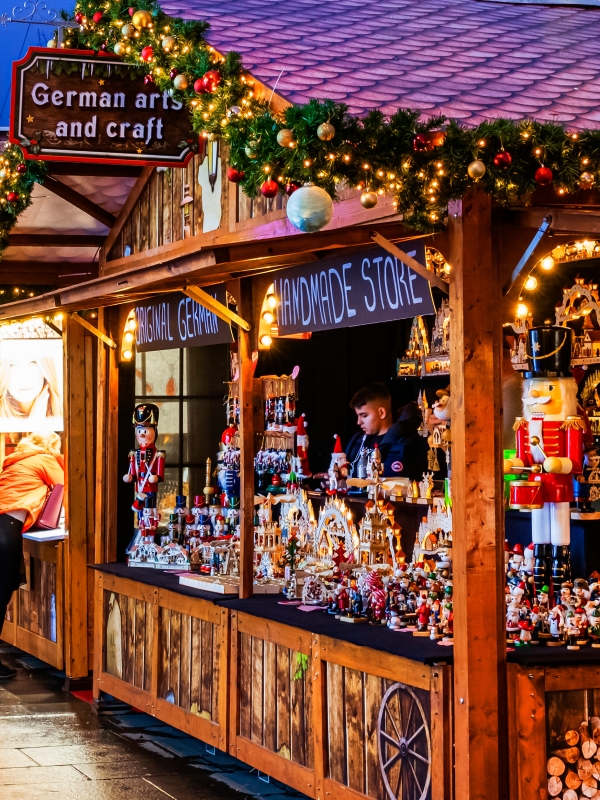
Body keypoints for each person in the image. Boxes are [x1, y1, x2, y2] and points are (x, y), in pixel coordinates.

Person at [0, 432, 64, 679]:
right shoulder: (44, 459)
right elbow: (68, 487)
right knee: (1, 593)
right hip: (6, 530)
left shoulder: (16, 461)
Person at [346, 383, 428, 479]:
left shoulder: (405, 442)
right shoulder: (357, 440)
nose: (358, 422)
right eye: (358, 416)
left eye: (364, 416)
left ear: (381, 412)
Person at [0, 341, 62, 422]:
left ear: (45, 368)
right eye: (12, 365)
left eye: (32, 363)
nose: (23, 377)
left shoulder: (64, 413)